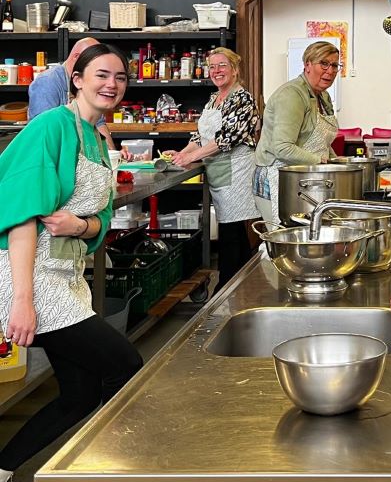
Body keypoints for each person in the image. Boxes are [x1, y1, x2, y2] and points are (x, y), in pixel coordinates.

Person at [0, 44, 142, 481]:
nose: (111, 84)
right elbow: (22, 217)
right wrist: (23, 301)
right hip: (30, 273)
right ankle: (114, 466)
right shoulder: (51, 127)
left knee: (79, 395)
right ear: (77, 79)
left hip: (68, 275)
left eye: (119, 77)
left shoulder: (99, 138)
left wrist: (80, 227)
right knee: (126, 367)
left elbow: (99, 218)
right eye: (101, 75)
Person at [164, 48, 260, 293]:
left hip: (237, 171)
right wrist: (182, 154)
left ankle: (227, 289)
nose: (216, 71)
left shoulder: (242, 99)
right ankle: (235, 287)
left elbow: (226, 138)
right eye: (212, 66)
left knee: (232, 231)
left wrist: (193, 157)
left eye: (222, 65)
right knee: (232, 231)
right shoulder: (213, 99)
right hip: (217, 169)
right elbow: (201, 136)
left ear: (235, 69)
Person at [253, 41, 341, 225]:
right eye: (324, 63)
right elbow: (283, 148)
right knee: (284, 238)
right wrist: (320, 162)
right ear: (307, 64)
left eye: (334, 65)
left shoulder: (323, 96)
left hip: (305, 178)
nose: (330, 70)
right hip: (278, 177)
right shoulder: (292, 95)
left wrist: (337, 162)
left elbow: (321, 142)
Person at [28, 36, 117, 151]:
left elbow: (98, 123)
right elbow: (43, 133)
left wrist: (112, 155)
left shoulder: (88, 80)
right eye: (94, 62)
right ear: (77, 57)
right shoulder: (47, 82)